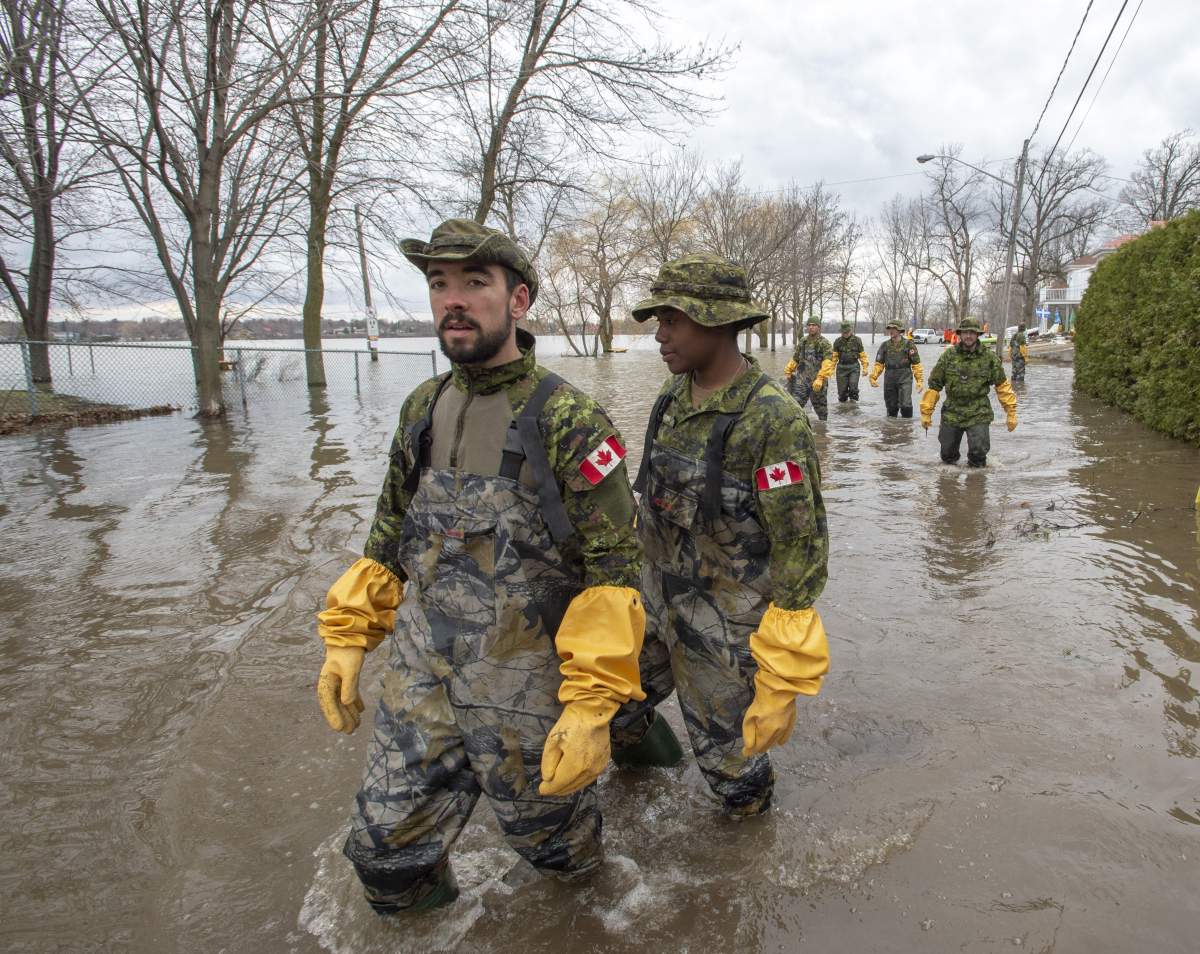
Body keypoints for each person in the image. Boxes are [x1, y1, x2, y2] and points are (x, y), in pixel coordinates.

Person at [314, 219, 653, 915]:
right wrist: (348, 641)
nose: (453, 300)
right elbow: (386, 536)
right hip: (423, 675)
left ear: (518, 301)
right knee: (384, 857)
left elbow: (617, 574)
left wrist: (591, 708)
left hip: (525, 690)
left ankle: (640, 760)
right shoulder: (422, 407)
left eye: (474, 282)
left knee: (563, 865)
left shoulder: (569, 420)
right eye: (439, 284)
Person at [619, 252, 831, 818]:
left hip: (723, 630)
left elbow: (802, 548)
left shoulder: (772, 420)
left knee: (731, 771)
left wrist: (782, 670)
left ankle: (745, 864)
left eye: (673, 321)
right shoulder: (670, 398)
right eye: (659, 321)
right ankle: (647, 788)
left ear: (717, 322)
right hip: (655, 604)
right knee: (612, 710)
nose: (660, 336)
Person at [920, 316, 1019, 467]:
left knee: (978, 454)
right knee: (947, 456)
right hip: (952, 411)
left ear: (978, 334)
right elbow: (934, 385)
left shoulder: (989, 358)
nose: (968, 336)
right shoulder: (948, 356)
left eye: (972, 332)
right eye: (965, 332)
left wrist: (1011, 412)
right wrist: (926, 412)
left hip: (978, 411)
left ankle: (976, 485)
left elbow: (1002, 386)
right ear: (959, 334)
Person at [869, 319, 924, 418]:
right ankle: (892, 431)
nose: (891, 331)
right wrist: (873, 377)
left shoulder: (909, 344)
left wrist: (919, 380)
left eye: (894, 328)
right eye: (890, 328)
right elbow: (879, 364)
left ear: (899, 330)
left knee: (905, 404)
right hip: (889, 377)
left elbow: (916, 364)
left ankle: (906, 429)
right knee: (891, 407)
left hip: (905, 377)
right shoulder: (884, 345)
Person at [784, 317, 835, 421]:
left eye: (813, 325)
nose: (811, 327)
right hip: (802, 380)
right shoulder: (803, 341)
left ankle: (822, 433)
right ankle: (796, 429)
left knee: (821, 412)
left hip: (818, 382)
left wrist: (820, 378)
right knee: (795, 407)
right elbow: (796, 358)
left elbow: (828, 363)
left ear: (818, 327)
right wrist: (789, 370)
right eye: (809, 325)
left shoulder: (825, 343)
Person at [831, 321, 869, 403]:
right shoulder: (837, 341)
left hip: (854, 367)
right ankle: (843, 411)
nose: (845, 333)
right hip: (841, 368)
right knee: (842, 393)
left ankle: (853, 410)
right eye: (843, 332)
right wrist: (831, 369)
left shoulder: (857, 340)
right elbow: (834, 357)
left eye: (847, 331)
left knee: (853, 388)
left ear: (850, 330)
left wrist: (865, 368)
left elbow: (862, 355)